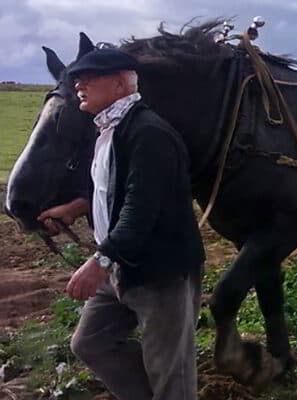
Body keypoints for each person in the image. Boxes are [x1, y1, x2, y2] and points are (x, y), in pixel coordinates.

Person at [36, 48, 205, 400]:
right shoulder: (110, 129)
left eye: (88, 78)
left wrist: (100, 262)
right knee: (90, 343)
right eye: (77, 79)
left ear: (118, 83)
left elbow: (141, 207)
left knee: (170, 371)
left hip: (160, 271)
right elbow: (116, 186)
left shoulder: (149, 133)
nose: (78, 84)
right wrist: (75, 207)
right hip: (122, 264)